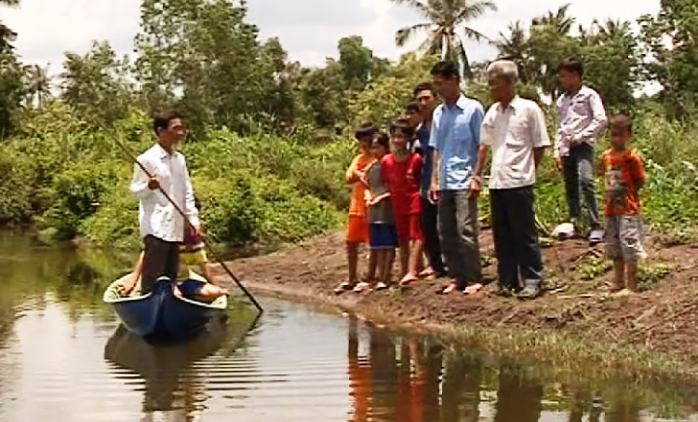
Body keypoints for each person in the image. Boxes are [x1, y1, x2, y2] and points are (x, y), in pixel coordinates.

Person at [473, 60, 550, 300]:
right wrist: (478, 174)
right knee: (502, 234)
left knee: (524, 234)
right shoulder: (493, 112)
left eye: (494, 84)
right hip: (498, 181)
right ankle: (507, 279)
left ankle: (532, 279)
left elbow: (539, 145)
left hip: (520, 181)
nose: (491, 88)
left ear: (508, 83)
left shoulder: (529, 109)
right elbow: (484, 145)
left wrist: (527, 171)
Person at [128, 111, 200, 295]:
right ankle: (148, 304)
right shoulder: (147, 159)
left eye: (182, 128)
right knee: (153, 279)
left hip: (175, 226)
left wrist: (193, 221)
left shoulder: (180, 160)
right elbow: (135, 192)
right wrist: (149, 186)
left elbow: (187, 192)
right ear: (161, 131)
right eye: (175, 128)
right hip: (156, 228)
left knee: (170, 277)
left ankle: (168, 306)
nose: (181, 132)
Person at [428, 61, 484, 295]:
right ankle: (456, 276)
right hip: (445, 179)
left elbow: (482, 145)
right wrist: (434, 180)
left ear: (453, 79)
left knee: (465, 229)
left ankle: (473, 277)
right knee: (446, 231)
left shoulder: (473, 109)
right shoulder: (439, 113)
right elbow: (437, 148)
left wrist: (477, 176)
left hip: (465, 178)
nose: (438, 89)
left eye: (440, 83)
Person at [121, 196, 229, 301]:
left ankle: (188, 299)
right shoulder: (164, 233)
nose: (187, 222)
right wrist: (133, 281)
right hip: (160, 281)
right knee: (174, 294)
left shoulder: (193, 239)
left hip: (184, 281)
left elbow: (204, 266)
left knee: (213, 293)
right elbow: (145, 256)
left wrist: (216, 287)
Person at [556, 57, 608, 244]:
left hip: (583, 144)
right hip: (567, 146)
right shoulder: (562, 100)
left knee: (586, 181)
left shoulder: (589, 95)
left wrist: (582, 136)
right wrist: (558, 150)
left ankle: (596, 225)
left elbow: (601, 119)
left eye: (564, 76)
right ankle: (576, 223)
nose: (562, 79)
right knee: (571, 185)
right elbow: (561, 126)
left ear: (575, 75)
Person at [599, 115, 646, 296]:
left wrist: (630, 195)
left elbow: (640, 180)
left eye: (620, 135)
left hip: (628, 209)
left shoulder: (631, 157)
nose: (616, 139)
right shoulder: (606, 156)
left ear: (628, 135)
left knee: (629, 245)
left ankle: (631, 285)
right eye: (613, 135)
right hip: (611, 209)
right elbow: (603, 176)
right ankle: (618, 282)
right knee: (614, 246)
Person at [335, 123, 377, 294]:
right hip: (356, 205)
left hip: (372, 205)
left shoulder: (379, 158)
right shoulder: (358, 158)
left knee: (373, 243)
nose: (364, 144)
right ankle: (352, 277)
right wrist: (360, 174)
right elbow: (349, 177)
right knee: (351, 242)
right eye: (362, 141)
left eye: (367, 140)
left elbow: (370, 178)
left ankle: (370, 277)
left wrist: (360, 175)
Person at [382, 119, 423, 285]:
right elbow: (386, 182)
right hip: (397, 205)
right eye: (395, 136)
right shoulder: (387, 161)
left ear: (408, 139)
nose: (398, 140)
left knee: (417, 236)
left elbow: (420, 181)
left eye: (401, 137)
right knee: (403, 239)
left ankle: (413, 270)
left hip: (414, 201)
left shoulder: (416, 159)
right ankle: (405, 270)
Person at [355, 132, 397, 292]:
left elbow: (395, 187)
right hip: (374, 210)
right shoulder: (372, 166)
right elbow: (366, 184)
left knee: (388, 245)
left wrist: (380, 198)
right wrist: (368, 197)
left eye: (378, 147)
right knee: (378, 245)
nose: (375, 151)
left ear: (386, 147)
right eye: (373, 147)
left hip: (388, 209)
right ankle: (380, 276)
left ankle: (386, 276)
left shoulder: (390, 163)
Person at [414, 82, 446, 280]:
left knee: (447, 225)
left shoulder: (443, 122)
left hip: (445, 179)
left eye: (427, 98)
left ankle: (452, 265)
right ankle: (436, 266)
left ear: (435, 98)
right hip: (425, 181)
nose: (423, 102)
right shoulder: (419, 129)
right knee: (428, 225)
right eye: (419, 99)